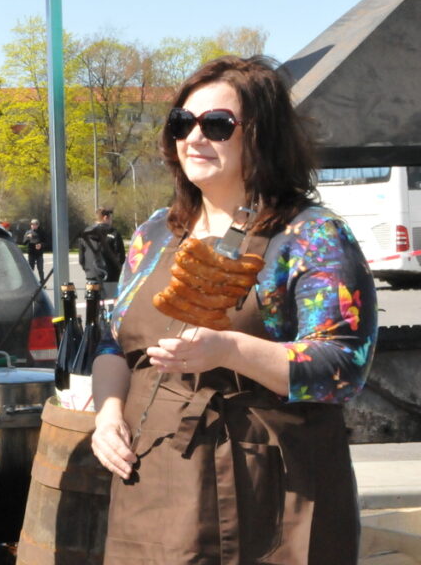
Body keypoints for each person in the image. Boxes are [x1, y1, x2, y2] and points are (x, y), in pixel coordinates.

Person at [89, 55, 377, 564]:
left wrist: (228, 350)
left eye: (217, 125)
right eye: (182, 122)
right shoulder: (155, 233)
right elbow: (116, 344)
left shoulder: (310, 235)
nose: (194, 137)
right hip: (154, 484)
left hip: (270, 491)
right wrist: (108, 412)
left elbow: (342, 367)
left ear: (262, 137)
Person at [76, 207, 126, 299]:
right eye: (111, 219)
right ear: (105, 218)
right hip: (111, 276)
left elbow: (81, 258)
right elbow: (121, 257)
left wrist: (88, 270)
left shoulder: (85, 233)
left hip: (92, 276)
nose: (111, 221)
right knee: (112, 303)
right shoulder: (113, 233)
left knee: (93, 303)